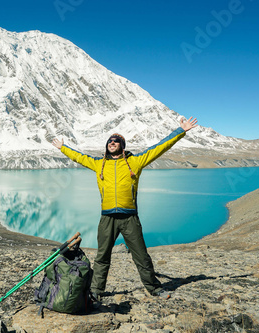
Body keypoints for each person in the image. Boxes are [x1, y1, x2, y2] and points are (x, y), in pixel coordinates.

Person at [52, 117, 198, 300]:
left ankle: (154, 288)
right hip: (107, 218)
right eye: (109, 141)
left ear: (122, 145)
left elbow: (160, 147)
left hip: (130, 218)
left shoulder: (135, 162)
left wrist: (181, 131)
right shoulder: (99, 164)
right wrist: (62, 148)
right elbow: (79, 157)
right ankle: (97, 291)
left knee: (141, 256)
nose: (112, 143)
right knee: (102, 256)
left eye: (116, 141)